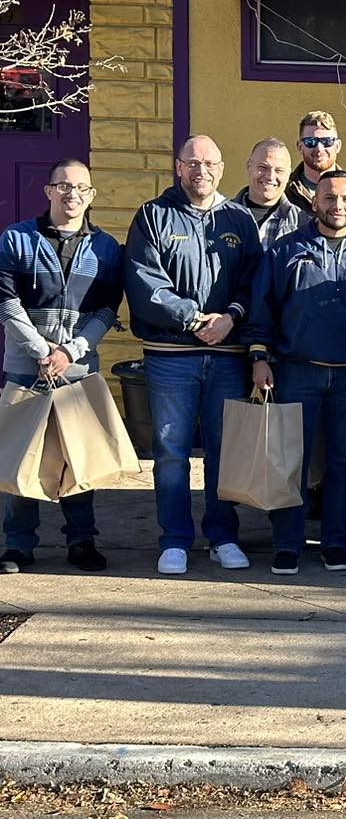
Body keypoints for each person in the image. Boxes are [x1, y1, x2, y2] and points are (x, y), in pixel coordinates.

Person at [249, 171, 346, 575]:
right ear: (314, 202)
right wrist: (259, 357)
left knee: (343, 462)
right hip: (298, 371)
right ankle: (287, 544)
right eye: (330, 198)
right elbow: (262, 309)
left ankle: (334, 542)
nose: (338, 206)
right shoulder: (285, 252)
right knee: (290, 462)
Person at [125, 135, 261, 576]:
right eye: (192, 163)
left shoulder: (239, 219)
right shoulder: (153, 215)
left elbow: (253, 281)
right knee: (170, 450)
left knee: (224, 451)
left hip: (227, 355)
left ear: (222, 169)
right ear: (179, 168)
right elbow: (145, 283)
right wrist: (194, 318)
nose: (201, 170)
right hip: (171, 356)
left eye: (209, 163)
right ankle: (175, 540)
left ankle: (222, 536)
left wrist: (232, 316)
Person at [0, 159, 123, 575]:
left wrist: (69, 351)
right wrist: (40, 350)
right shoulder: (16, 239)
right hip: (26, 369)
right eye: (63, 186)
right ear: (48, 191)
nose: (72, 194)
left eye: (81, 188)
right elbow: (6, 303)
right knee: (22, 459)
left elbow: (107, 308)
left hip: (77, 370)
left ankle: (82, 541)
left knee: (77, 460)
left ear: (90, 195)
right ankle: (17, 545)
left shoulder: (106, 247)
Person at [241, 138, 305, 248]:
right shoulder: (220, 218)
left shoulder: (302, 223)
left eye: (279, 170)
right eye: (263, 167)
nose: (270, 177)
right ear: (249, 167)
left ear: (288, 174)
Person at [285, 110, 344, 210]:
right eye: (311, 142)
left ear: (338, 146)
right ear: (300, 147)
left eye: (327, 141)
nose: (319, 149)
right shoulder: (284, 192)